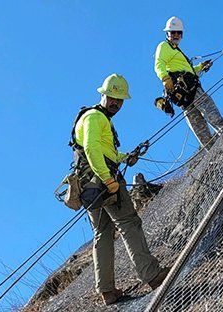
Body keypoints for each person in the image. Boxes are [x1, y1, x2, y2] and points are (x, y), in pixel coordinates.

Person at [71, 74, 169, 305]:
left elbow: (103, 151)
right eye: (113, 97)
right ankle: (152, 275)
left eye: (120, 99)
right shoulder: (96, 118)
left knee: (102, 233)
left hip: (88, 185)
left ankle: (107, 291)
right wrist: (108, 179)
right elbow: (94, 149)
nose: (116, 102)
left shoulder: (93, 117)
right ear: (103, 95)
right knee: (129, 222)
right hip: (103, 179)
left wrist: (126, 157)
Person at [154, 16, 223, 149]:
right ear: (167, 33)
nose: (176, 35)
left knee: (203, 127)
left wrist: (200, 67)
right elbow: (159, 64)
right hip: (189, 92)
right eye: (173, 32)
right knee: (211, 120)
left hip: (185, 93)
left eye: (179, 32)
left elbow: (188, 70)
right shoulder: (164, 46)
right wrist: (165, 78)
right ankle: (219, 150)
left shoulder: (177, 52)